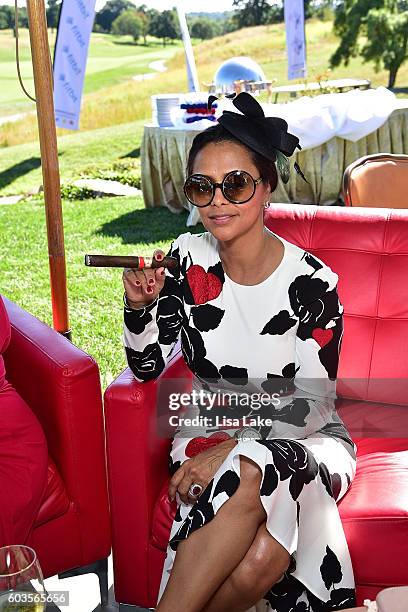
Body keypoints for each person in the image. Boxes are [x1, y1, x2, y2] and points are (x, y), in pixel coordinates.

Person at [122, 92, 357, 612]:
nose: (218, 201)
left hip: (306, 441)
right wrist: (139, 308)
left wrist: (231, 448)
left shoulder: (312, 283)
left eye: (236, 183)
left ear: (266, 186)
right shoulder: (186, 259)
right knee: (257, 561)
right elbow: (144, 366)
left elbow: (314, 406)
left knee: (254, 463)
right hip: (208, 429)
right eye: (202, 187)